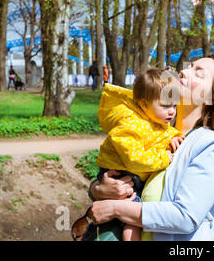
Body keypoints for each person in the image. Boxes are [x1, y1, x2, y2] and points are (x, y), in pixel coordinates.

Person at [85, 55, 214, 241]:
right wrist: (97, 189)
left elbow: (186, 217)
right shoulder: (152, 130)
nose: (183, 71)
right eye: (188, 67)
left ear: (213, 96)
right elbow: (126, 173)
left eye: (198, 74)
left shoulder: (209, 145)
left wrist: (115, 209)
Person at [73, 69, 184, 241]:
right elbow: (134, 158)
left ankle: (89, 233)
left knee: (118, 219)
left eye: (174, 105)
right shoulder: (130, 124)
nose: (172, 111)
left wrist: (175, 137)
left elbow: (163, 133)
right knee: (131, 221)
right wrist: (164, 157)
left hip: (131, 176)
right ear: (145, 105)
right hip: (121, 174)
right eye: (165, 105)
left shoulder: (155, 120)